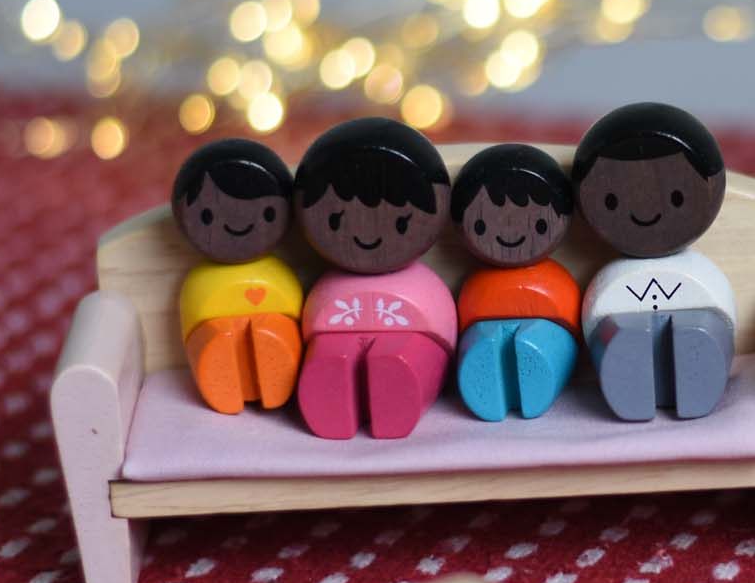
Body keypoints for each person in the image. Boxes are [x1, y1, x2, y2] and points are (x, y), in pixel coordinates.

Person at [293, 117, 455, 439]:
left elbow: (442, 338)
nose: (367, 232)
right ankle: (331, 409)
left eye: (399, 224)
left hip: (417, 325)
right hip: (333, 320)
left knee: (405, 358)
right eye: (339, 221)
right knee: (330, 358)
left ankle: (394, 407)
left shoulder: (425, 287)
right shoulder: (326, 289)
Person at [573, 102, 735, 421]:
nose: (645, 208)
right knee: (618, 338)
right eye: (612, 201)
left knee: (703, 332)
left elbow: (724, 319)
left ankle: (697, 385)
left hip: (697, 303)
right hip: (616, 308)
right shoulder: (609, 283)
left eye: (676, 197)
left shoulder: (702, 279)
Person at [451, 144, 584, 421]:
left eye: (540, 225)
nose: (510, 233)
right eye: (481, 226)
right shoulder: (476, 289)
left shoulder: (557, 285)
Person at [170, 139, 303, 414]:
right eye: (208, 217)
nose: (237, 222)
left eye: (266, 213)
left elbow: (298, 316)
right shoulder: (198, 282)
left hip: (278, 331)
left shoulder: (280, 275)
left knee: (277, 332)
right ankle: (225, 387)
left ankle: (276, 386)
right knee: (212, 341)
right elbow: (193, 328)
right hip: (212, 334)